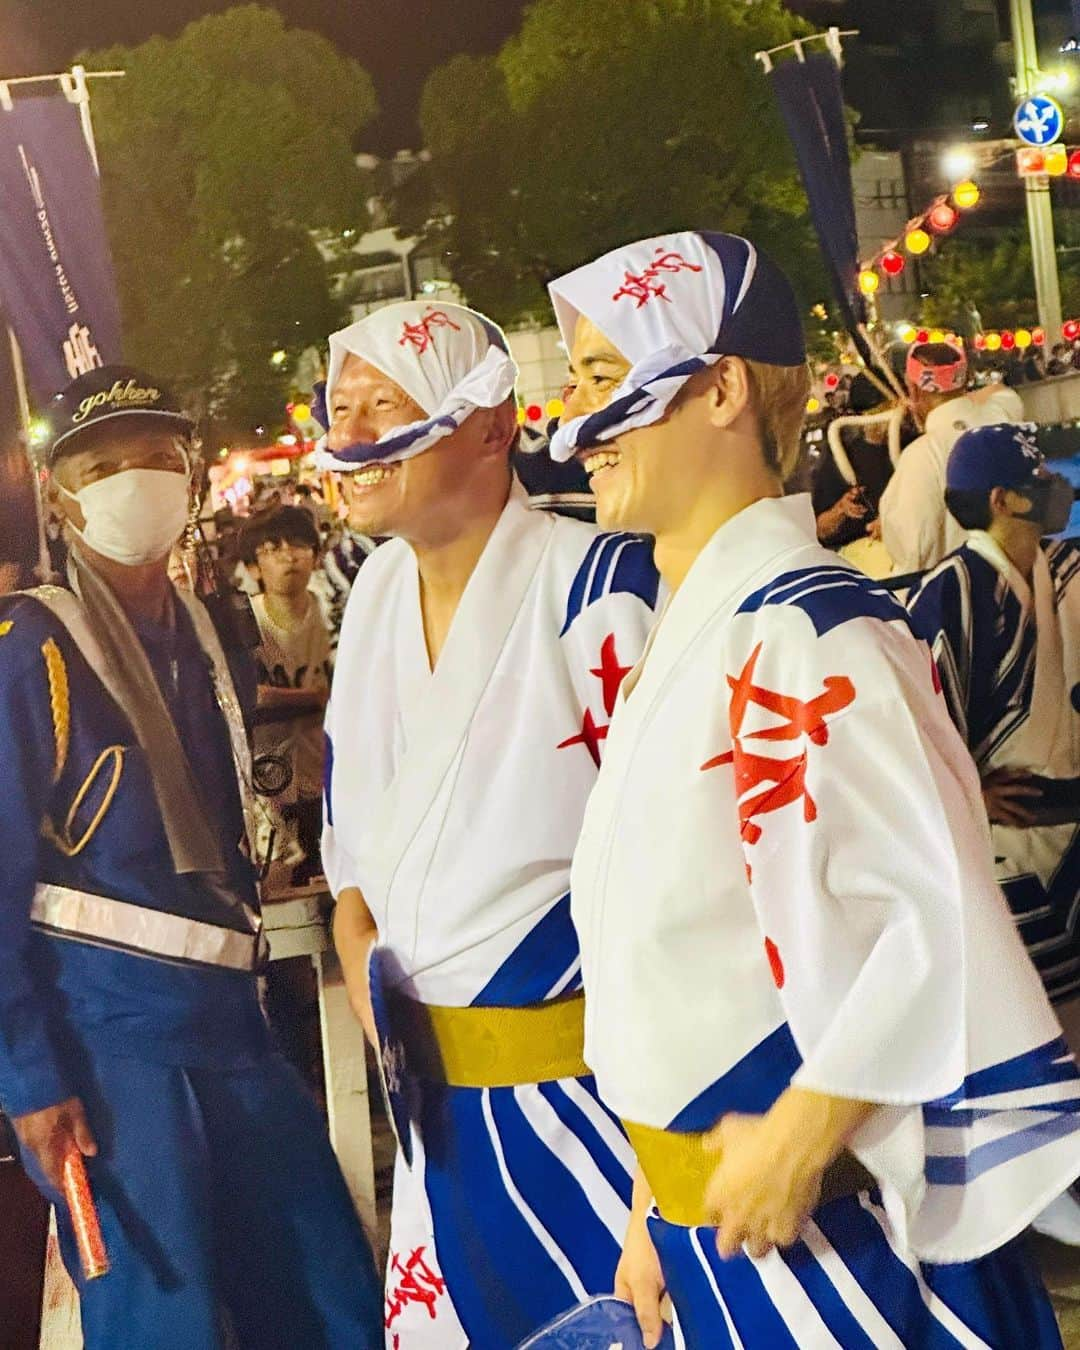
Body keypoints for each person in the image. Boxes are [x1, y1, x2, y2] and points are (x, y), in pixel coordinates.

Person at [545, 232, 1080, 1347]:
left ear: (722, 385)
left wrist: (802, 1133)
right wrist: (654, 1204)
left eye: (604, 379)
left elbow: (935, 915)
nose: (571, 424)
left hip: (833, 1252)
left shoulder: (809, 631)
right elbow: (693, 965)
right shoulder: (703, 631)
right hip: (724, 1231)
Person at [0, 366, 381, 1349]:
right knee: (157, 1325)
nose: (141, 480)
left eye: (162, 459)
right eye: (110, 464)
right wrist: (30, 1080)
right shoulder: (29, 648)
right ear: (61, 492)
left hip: (237, 1031)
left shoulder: (215, 634)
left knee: (331, 1299)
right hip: (112, 1052)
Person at [317, 300, 660, 1348]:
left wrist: (663, 1181)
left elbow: (680, 882)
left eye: (387, 403)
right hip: (437, 1121)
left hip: (596, 1110)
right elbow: (354, 848)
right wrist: (355, 941)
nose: (356, 430)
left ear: (488, 425)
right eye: (342, 404)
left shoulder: (598, 582)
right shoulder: (374, 593)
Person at [907, 422, 1080, 1244]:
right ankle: (1043, 1201)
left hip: (1060, 825)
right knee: (1048, 1017)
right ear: (1003, 498)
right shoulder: (952, 591)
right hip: (998, 841)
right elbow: (911, 728)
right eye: (1038, 479)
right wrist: (971, 787)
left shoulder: (1049, 567)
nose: (1057, 489)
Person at [241, 505, 332, 883]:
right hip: (272, 787)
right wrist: (320, 700)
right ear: (253, 567)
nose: (287, 555)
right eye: (271, 548)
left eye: (298, 544)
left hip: (330, 778)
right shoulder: (246, 620)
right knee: (281, 884)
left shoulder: (334, 611)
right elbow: (250, 695)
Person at [878, 341, 1024, 574]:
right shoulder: (1003, 417)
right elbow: (1002, 393)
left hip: (969, 592)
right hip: (1026, 575)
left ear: (913, 390)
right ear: (965, 380)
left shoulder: (922, 456)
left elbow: (912, 549)